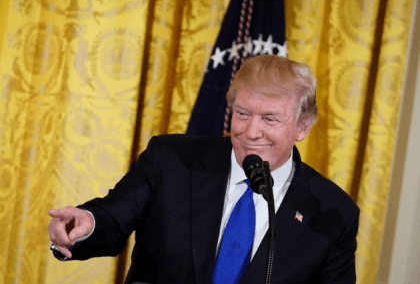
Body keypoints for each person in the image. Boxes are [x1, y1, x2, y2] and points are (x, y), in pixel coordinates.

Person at [48, 55, 359, 284]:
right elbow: (111, 218)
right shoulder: (171, 160)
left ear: (302, 127)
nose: (251, 132)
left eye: (269, 119)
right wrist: (86, 224)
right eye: (242, 113)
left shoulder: (333, 213)